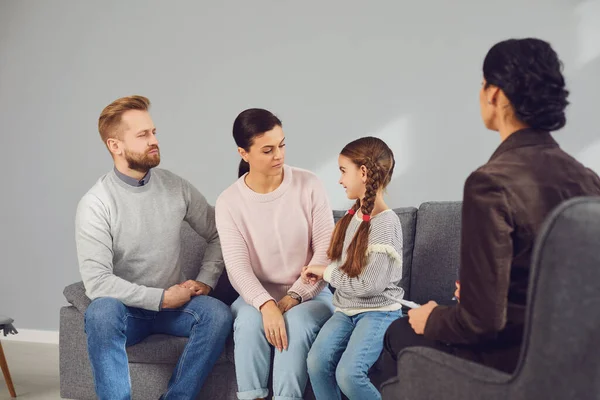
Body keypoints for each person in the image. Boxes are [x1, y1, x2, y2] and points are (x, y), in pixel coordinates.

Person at [373, 38, 600, 386]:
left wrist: (432, 318)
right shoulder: (588, 181)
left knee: (400, 333)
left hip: (512, 362)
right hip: (575, 364)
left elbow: (481, 323)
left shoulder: (489, 183)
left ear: (494, 93)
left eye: (482, 84)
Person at [75, 95, 232, 400]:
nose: (154, 140)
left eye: (154, 132)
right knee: (101, 312)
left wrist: (206, 279)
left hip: (174, 309)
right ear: (115, 146)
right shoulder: (96, 204)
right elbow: (97, 282)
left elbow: (219, 231)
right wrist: (161, 298)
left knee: (217, 315)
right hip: (128, 312)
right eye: (143, 135)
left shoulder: (175, 186)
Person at [215, 108, 335, 400]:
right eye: (267, 150)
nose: (278, 155)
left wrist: (292, 297)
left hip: (312, 295)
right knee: (247, 322)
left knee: (295, 323)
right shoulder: (229, 202)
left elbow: (326, 253)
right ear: (244, 153)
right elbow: (237, 268)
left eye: (281, 145)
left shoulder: (309, 184)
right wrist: (267, 305)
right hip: (254, 298)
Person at [303, 137, 404, 400]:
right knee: (316, 363)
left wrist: (326, 273)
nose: (339, 180)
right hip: (345, 310)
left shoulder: (386, 223)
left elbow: (369, 286)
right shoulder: (352, 217)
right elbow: (341, 265)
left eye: (343, 171)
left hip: (378, 312)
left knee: (349, 373)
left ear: (363, 172)